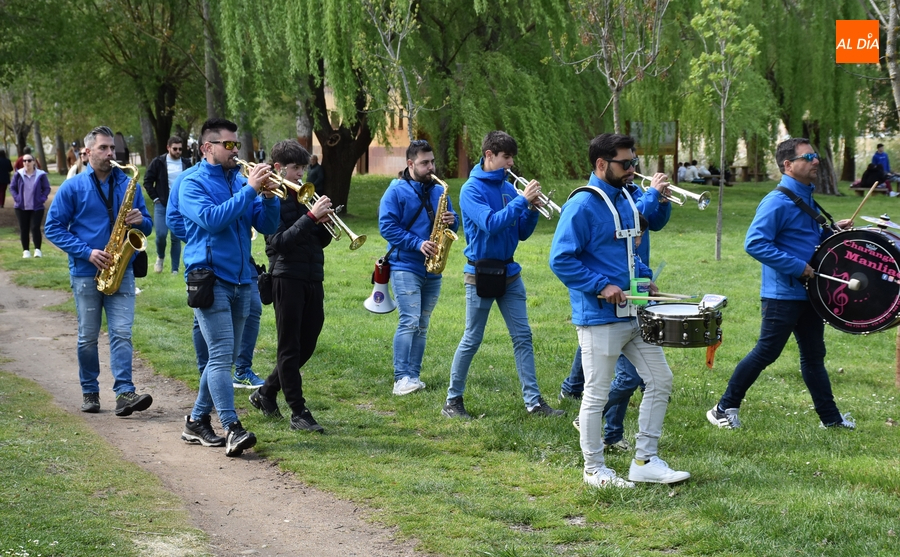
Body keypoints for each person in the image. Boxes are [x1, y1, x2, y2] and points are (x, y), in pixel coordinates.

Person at [549, 132, 690, 488]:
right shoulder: (581, 205)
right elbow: (561, 259)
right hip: (598, 317)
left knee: (660, 380)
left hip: (633, 311)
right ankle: (594, 469)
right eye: (625, 164)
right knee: (596, 392)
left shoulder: (627, 199)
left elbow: (629, 254)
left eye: (634, 163)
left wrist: (644, 279)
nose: (632, 170)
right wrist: (601, 285)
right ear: (601, 164)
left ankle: (645, 459)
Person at [707, 138, 855, 431]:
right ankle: (722, 408)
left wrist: (832, 231)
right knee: (767, 352)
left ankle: (831, 420)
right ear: (788, 165)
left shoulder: (805, 196)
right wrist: (798, 267)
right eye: (809, 157)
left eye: (816, 155)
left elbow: (802, 237)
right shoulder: (777, 200)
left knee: (814, 356)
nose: (816, 161)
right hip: (783, 294)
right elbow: (755, 243)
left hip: (808, 292)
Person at [442, 130, 563, 419]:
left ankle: (534, 403)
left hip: (509, 271)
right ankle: (452, 401)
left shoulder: (509, 187)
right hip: (480, 272)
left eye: (511, 158)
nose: (510, 163)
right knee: (472, 337)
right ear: (489, 155)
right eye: (505, 157)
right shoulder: (471, 189)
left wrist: (532, 210)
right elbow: (491, 224)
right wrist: (522, 202)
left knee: (523, 337)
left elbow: (520, 232)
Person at [178, 117, 280, 457]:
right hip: (209, 278)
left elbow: (266, 224)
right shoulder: (190, 182)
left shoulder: (237, 180)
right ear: (208, 147)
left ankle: (195, 421)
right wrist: (250, 189)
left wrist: (266, 197)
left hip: (241, 278)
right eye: (229, 145)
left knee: (221, 358)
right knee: (221, 356)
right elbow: (211, 219)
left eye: (237, 144)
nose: (236, 150)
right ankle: (233, 427)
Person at [44, 125, 154, 417]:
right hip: (85, 272)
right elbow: (52, 228)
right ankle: (90, 391)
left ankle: (124, 392)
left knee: (121, 332)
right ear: (88, 151)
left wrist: (142, 220)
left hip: (122, 270)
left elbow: (149, 228)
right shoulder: (72, 187)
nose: (110, 154)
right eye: (103, 148)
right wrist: (87, 252)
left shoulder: (128, 182)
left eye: (112, 149)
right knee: (87, 336)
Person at [249, 139, 334, 432]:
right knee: (289, 346)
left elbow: (321, 241)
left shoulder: (305, 196)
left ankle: (266, 392)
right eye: (295, 168)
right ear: (278, 168)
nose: (301, 174)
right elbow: (280, 242)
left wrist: (322, 221)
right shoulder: (270, 199)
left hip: (312, 275)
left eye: (303, 168)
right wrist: (311, 218)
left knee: (307, 343)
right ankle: (298, 411)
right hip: (286, 277)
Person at [378, 139, 459, 396]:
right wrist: (417, 243)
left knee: (422, 323)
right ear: (410, 164)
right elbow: (387, 227)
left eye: (432, 161)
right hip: (405, 265)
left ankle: (414, 376)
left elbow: (452, 224)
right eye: (425, 163)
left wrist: (451, 221)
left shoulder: (437, 189)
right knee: (409, 321)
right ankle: (400, 378)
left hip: (432, 268)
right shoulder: (395, 191)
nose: (431, 167)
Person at [144, 136, 190, 274]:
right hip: (162, 204)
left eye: (180, 149)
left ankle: (175, 269)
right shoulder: (158, 162)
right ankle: (160, 256)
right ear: (168, 147)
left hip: (179, 205)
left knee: (176, 237)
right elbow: (147, 181)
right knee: (161, 234)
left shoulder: (186, 163)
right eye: (175, 149)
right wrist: (156, 198)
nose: (178, 152)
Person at [10, 153, 51, 258]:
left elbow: (46, 188)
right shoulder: (18, 174)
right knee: (24, 228)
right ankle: (26, 251)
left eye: (29, 160)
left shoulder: (40, 175)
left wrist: (42, 199)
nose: (26, 163)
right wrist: (17, 198)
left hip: (37, 207)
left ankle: (37, 250)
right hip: (21, 207)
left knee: (35, 227)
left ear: (34, 162)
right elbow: (12, 188)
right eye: (24, 161)